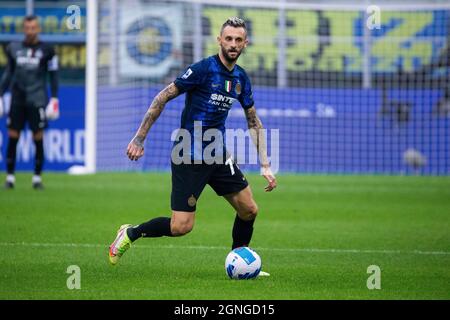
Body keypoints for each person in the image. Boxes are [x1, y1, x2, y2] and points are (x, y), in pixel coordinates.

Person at [108, 17, 277, 272]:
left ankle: (238, 263)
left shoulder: (241, 78)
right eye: (228, 39)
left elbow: (253, 120)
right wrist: (139, 138)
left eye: (238, 40)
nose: (233, 44)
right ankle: (131, 233)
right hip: (188, 154)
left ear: (245, 44)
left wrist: (265, 164)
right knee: (181, 227)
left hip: (217, 154)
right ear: (219, 40)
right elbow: (162, 97)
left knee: (249, 209)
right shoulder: (202, 69)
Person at [0, 15, 59, 189]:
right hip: (17, 99)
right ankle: (10, 177)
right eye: (27, 28)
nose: (30, 31)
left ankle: (37, 178)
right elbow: (8, 73)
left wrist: (54, 98)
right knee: (13, 136)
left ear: (38, 28)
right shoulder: (13, 48)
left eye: (33, 28)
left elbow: (53, 75)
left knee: (38, 137)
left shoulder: (48, 50)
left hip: (37, 99)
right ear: (23, 29)